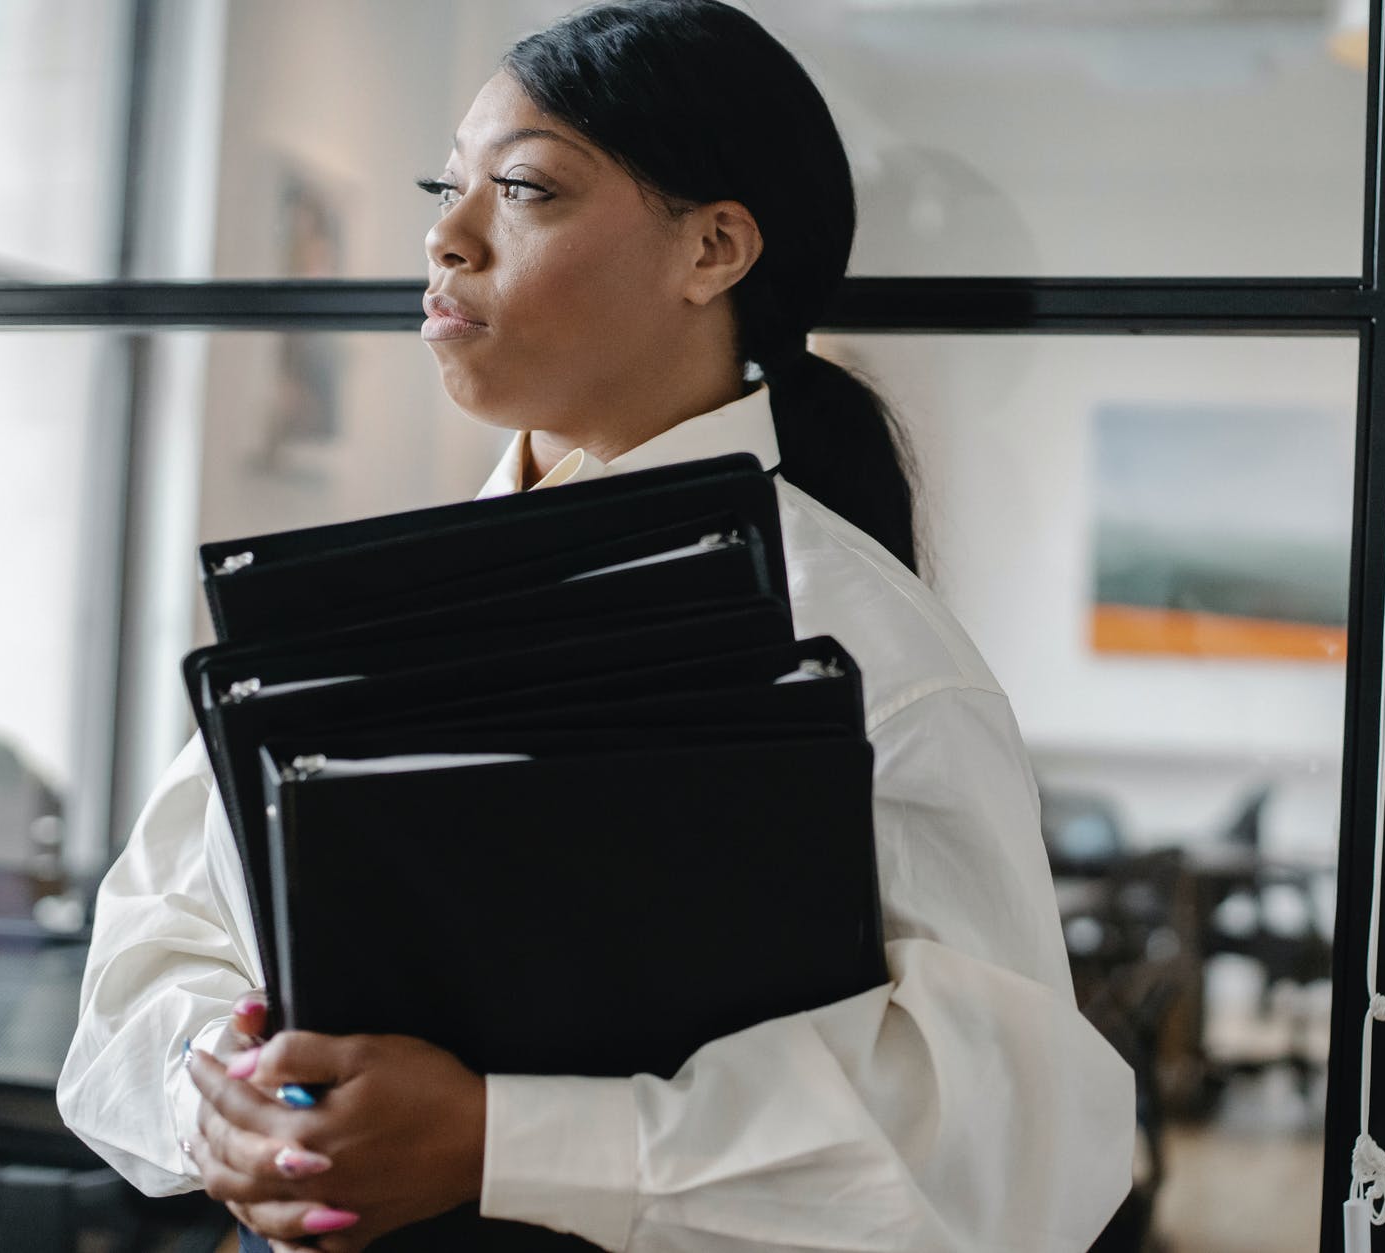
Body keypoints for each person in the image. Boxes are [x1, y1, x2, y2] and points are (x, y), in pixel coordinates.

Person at [56, 2, 1136, 1250]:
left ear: (713, 248)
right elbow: (152, 952)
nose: (443, 236)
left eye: (521, 189)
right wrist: (230, 1098)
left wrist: (494, 1139)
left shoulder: (870, 654)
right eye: (443, 186)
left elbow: (1002, 1150)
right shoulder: (360, 606)